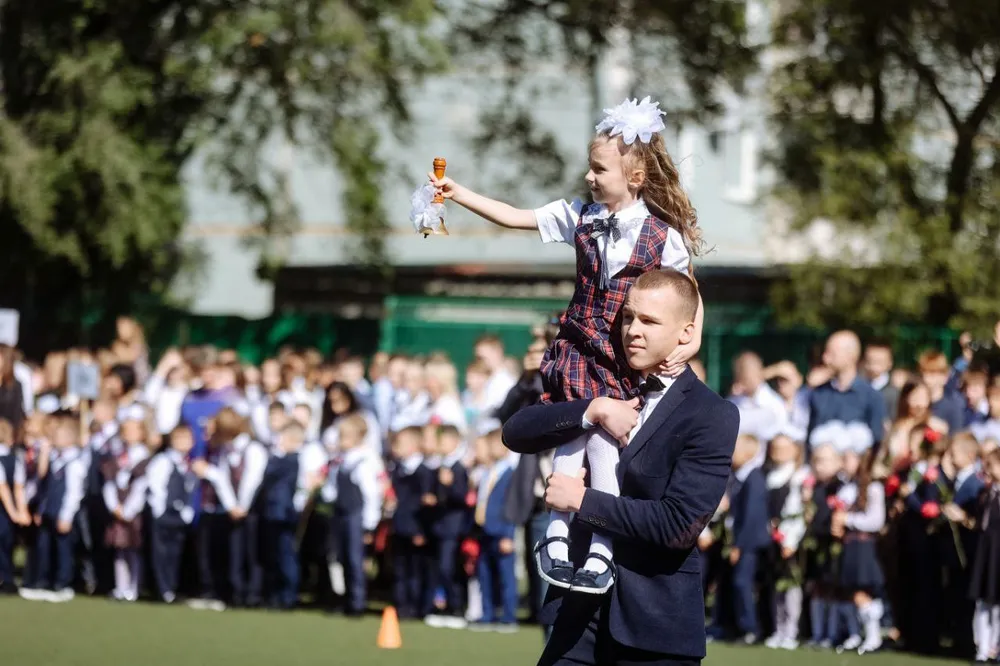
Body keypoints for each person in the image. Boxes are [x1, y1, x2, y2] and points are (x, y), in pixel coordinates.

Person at [433, 97, 705, 595]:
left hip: (621, 356)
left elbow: (689, 291)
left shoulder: (661, 235)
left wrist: (693, 338)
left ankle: (600, 547)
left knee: (605, 445)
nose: (589, 177)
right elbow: (515, 217)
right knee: (572, 432)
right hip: (578, 346)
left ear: (636, 176)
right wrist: (459, 193)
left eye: (599, 169)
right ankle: (556, 536)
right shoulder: (577, 215)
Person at [502, 269, 737, 666]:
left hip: (655, 629)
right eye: (628, 317)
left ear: (686, 333)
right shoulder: (596, 385)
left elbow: (677, 525)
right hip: (576, 619)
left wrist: (581, 499)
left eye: (649, 321)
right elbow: (516, 433)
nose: (632, 330)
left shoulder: (712, 414)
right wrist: (591, 410)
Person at [807, 331, 886, 454]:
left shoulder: (872, 396)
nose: (825, 358)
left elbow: (877, 440)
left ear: (851, 355)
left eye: (832, 353)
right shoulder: (818, 394)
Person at [147, 424, 198, 603]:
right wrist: (159, 510)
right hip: (164, 515)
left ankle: (172, 588)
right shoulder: (163, 461)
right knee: (161, 553)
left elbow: (191, 488)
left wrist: (187, 511)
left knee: (175, 554)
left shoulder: (190, 464)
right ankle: (163, 589)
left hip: (179, 516)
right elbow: (156, 486)